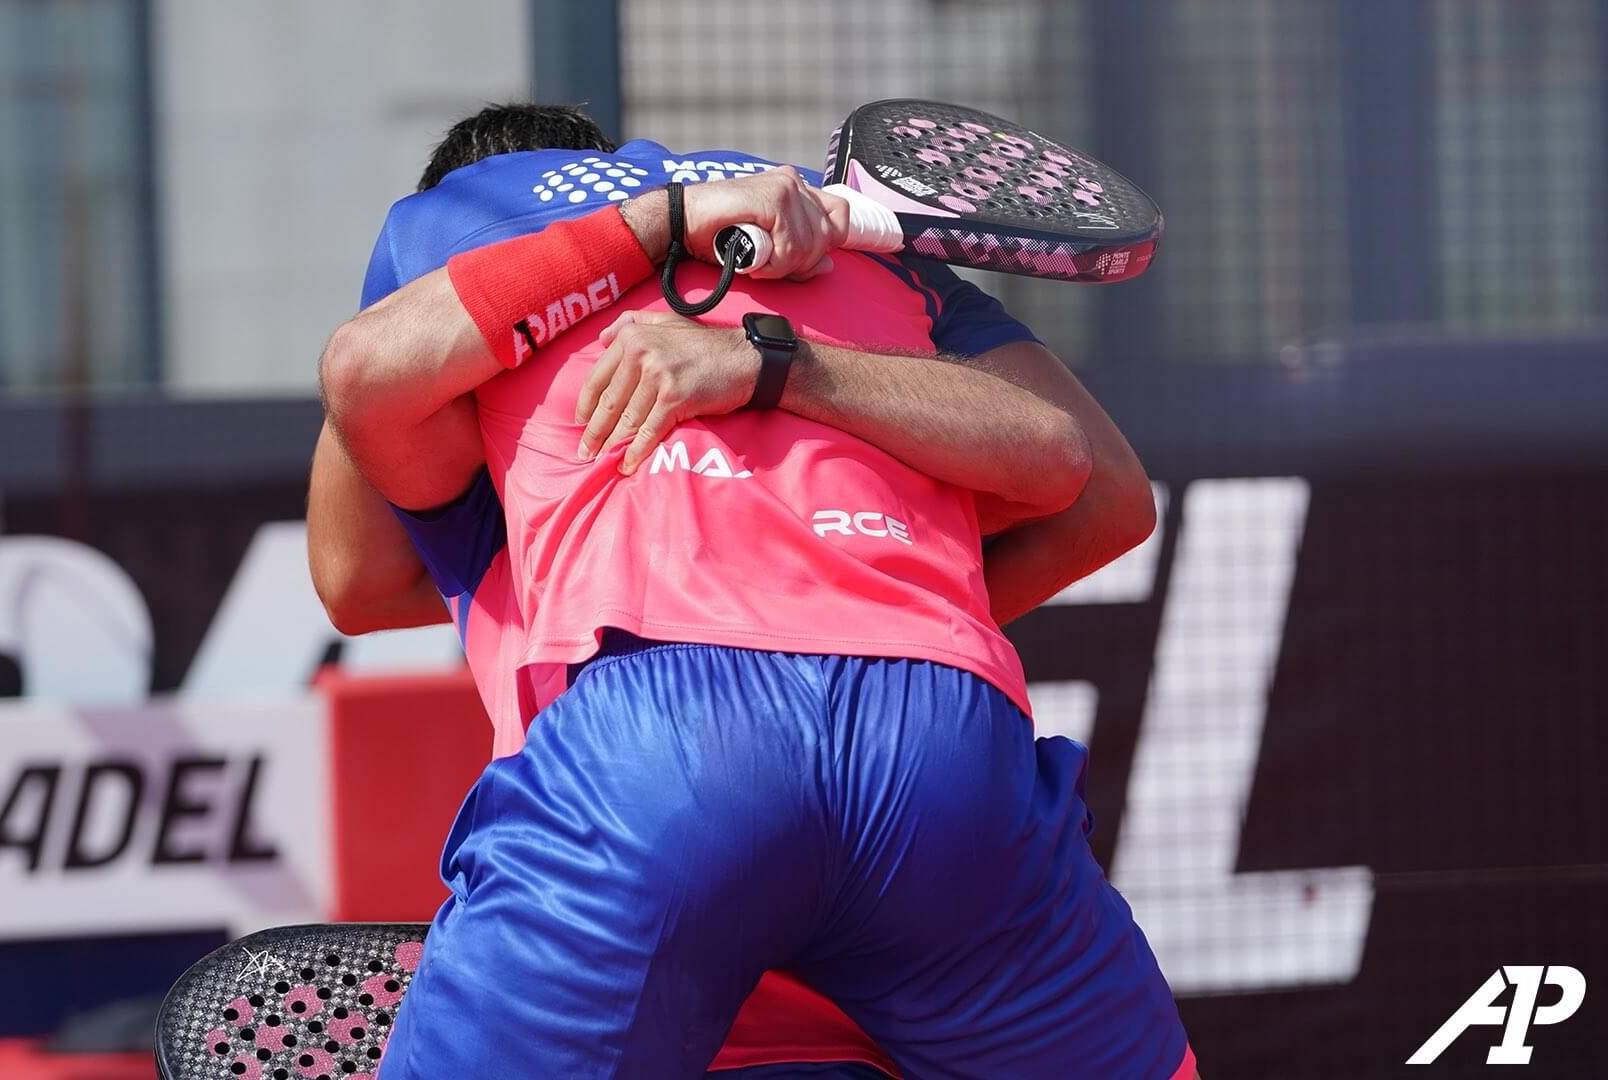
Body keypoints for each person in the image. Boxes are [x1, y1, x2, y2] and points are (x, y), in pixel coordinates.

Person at [315, 104, 1193, 1078]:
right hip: (944, 745)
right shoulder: (844, 243)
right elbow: (1103, 492)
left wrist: (659, 250)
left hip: (657, 767)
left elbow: (354, 544)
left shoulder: (463, 232)